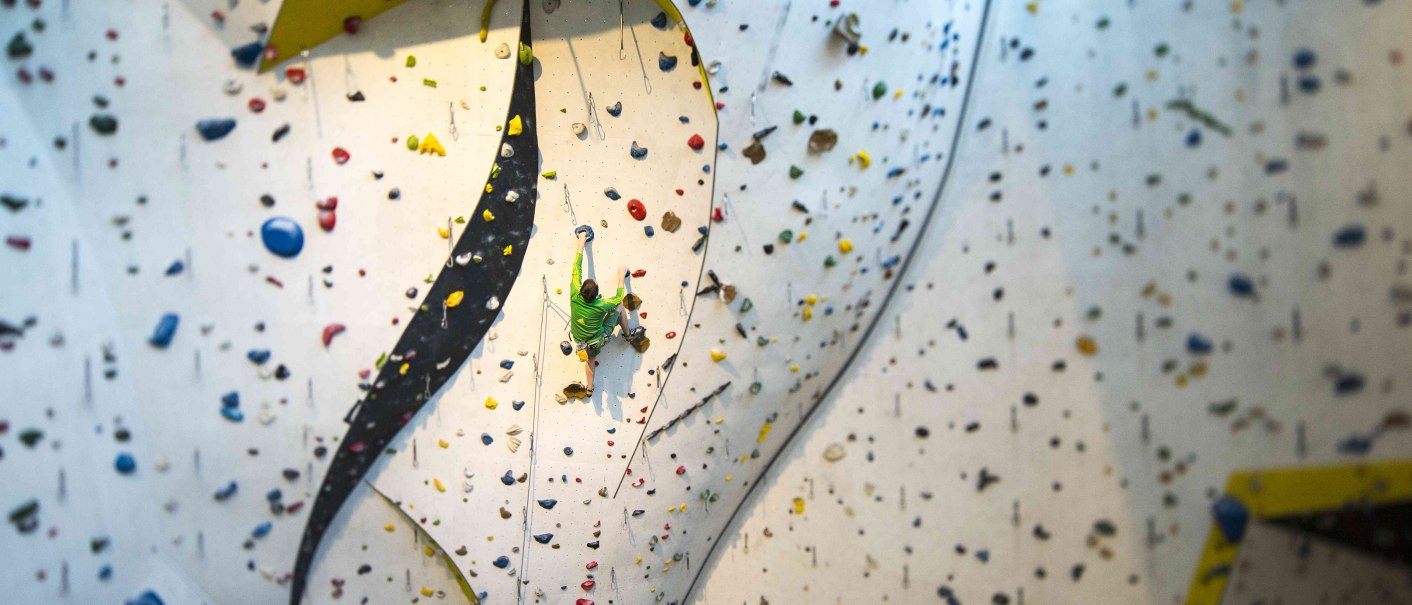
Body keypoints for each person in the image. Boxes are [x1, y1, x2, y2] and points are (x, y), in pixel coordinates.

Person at [566, 228, 646, 398]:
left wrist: (581, 240)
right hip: (597, 340)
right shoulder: (601, 304)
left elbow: (576, 267)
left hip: (581, 340)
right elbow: (618, 298)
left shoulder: (574, 292)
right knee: (619, 309)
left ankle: (589, 388)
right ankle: (628, 335)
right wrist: (621, 275)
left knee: (589, 360)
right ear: (596, 295)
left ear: (581, 290)